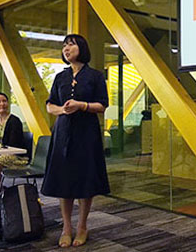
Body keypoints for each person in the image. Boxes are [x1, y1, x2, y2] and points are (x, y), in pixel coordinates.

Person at [42, 34, 110, 248]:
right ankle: (66, 227)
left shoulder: (95, 76)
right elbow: (49, 105)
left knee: (85, 178)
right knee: (64, 178)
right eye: (64, 46)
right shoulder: (60, 77)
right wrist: (62, 109)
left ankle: (82, 226)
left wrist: (82, 105)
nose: (66, 49)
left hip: (86, 133)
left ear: (82, 47)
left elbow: (102, 105)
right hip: (63, 132)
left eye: (70, 45)